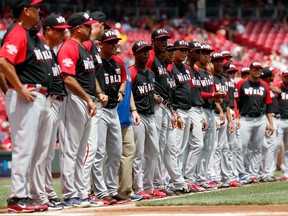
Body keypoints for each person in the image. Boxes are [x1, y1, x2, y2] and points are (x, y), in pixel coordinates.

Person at [0, 0, 52, 212]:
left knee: (31, 149)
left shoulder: (25, 33)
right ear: (25, 11)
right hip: (26, 95)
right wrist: (19, 89)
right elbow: (3, 61)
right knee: (23, 148)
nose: (39, 11)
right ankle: (17, 197)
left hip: (35, 95)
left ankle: (27, 195)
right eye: (35, 8)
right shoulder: (17, 31)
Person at [57, 12, 98, 208]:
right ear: (77, 28)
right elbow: (68, 78)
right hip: (74, 100)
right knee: (70, 151)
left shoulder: (84, 48)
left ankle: (81, 192)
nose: (91, 28)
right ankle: (70, 194)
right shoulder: (69, 47)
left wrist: (90, 99)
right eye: (87, 26)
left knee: (81, 151)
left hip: (85, 101)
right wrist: (87, 99)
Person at [90, 29, 128, 204]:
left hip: (113, 110)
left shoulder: (118, 61)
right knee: (98, 152)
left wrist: (121, 92)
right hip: (100, 110)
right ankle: (99, 191)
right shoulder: (96, 61)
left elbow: (123, 79)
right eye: (111, 42)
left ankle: (111, 189)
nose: (115, 45)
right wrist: (98, 93)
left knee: (116, 152)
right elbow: (91, 78)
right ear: (101, 44)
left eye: (116, 42)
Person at [42, 14, 71, 210]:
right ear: (48, 30)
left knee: (48, 152)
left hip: (57, 102)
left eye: (64, 30)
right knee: (43, 153)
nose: (63, 33)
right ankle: (45, 193)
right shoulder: (41, 50)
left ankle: (47, 193)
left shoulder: (52, 52)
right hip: (48, 100)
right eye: (59, 30)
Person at [130, 40, 163, 199]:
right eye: (142, 51)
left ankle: (149, 186)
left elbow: (150, 91)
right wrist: (133, 110)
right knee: (138, 153)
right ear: (134, 53)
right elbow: (129, 95)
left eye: (147, 50)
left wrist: (154, 96)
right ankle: (138, 187)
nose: (146, 53)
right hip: (138, 116)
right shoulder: (132, 72)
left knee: (154, 151)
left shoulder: (150, 73)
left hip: (151, 116)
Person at [82, 11, 108, 203]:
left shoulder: (92, 47)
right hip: (83, 101)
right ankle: (81, 192)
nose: (104, 29)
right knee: (88, 150)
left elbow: (93, 77)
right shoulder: (85, 45)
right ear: (98, 24)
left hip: (93, 99)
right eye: (103, 25)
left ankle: (85, 191)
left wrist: (99, 92)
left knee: (95, 150)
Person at [146, 28, 174, 198]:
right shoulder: (150, 58)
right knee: (154, 147)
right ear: (153, 41)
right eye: (161, 39)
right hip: (155, 108)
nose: (164, 42)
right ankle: (153, 183)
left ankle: (158, 182)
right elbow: (143, 77)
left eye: (166, 39)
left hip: (164, 107)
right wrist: (152, 95)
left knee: (161, 147)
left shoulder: (162, 61)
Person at [237, 61, 274, 183]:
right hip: (245, 118)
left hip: (260, 119)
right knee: (241, 147)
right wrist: (236, 118)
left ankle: (253, 174)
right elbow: (235, 102)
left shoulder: (264, 85)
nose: (258, 71)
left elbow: (268, 105)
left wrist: (271, 123)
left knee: (257, 148)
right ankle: (242, 174)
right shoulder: (242, 84)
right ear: (251, 70)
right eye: (255, 69)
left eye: (259, 69)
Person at [117, 63, 142, 201]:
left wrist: (133, 110)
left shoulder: (123, 65)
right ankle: (97, 190)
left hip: (126, 118)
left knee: (129, 152)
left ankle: (125, 190)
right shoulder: (103, 64)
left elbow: (129, 90)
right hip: (111, 115)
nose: (117, 44)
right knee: (105, 156)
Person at [259, 67, 279, 182]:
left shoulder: (269, 88)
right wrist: (268, 122)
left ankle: (267, 172)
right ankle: (266, 172)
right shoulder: (263, 87)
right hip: (265, 118)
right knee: (267, 146)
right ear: (268, 77)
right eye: (271, 76)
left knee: (270, 146)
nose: (272, 77)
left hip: (270, 118)